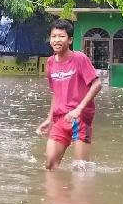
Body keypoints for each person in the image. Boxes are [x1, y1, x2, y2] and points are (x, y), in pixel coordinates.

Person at [36, 19, 102, 170]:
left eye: (61, 36)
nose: (57, 40)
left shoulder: (79, 58)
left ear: (70, 40)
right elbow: (56, 93)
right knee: (50, 165)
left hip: (80, 118)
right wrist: (49, 119)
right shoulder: (50, 63)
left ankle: (82, 193)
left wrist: (79, 109)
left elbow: (97, 84)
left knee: (81, 169)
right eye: (53, 36)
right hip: (60, 118)